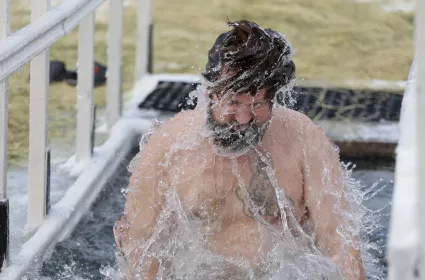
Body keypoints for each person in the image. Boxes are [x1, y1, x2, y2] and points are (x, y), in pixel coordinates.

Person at [113, 20, 366, 280]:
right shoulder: (168, 146)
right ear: (209, 92)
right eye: (233, 102)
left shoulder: (304, 140)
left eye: (257, 104)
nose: (244, 118)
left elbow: (341, 245)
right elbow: (138, 244)